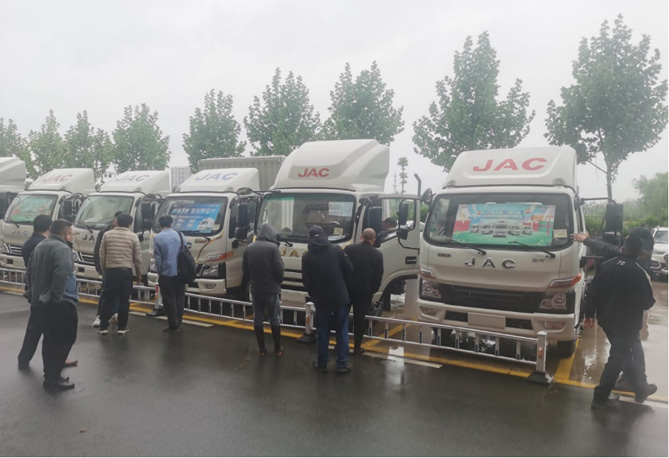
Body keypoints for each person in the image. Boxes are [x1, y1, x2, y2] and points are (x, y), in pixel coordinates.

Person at [572, 227, 654, 390]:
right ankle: (637, 383)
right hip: (626, 318)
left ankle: (633, 383)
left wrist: (587, 240)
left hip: (617, 317)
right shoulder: (636, 262)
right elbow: (648, 302)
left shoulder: (635, 265)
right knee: (624, 350)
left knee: (626, 350)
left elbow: (609, 249)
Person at [23, 219, 79, 391]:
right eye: (72, 233)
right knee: (64, 338)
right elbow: (61, 275)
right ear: (66, 234)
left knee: (50, 339)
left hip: (42, 301)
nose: (73, 236)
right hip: (61, 303)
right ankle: (53, 378)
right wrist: (56, 298)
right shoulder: (62, 249)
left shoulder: (41, 246)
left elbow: (29, 272)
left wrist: (33, 292)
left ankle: (51, 374)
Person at [302, 225, 354, 373]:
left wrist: (315, 293)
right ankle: (342, 364)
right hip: (340, 296)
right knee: (341, 330)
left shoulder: (307, 256)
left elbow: (306, 281)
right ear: (324, 235)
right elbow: (349, 269)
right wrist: (341, 284)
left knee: (322, 330)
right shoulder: (336, 250)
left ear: (309, 238)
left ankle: (322, 363)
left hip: (321, 298)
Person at [242, 223, 285, 355]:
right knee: (274, 318)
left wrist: (251, 281)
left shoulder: (249, 248)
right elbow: (279, 269)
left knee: (258, 318)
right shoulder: (273, 248)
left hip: (256, 288)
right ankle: (277, 348)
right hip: (271, 289)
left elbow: (245, 269)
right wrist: (278, 282)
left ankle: (262, 349)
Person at [98, 213, 142, 336]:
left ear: (117, 222)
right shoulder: (133, 237)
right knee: (124, 300)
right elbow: (137, 258)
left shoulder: (107, 235)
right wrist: (138, 273)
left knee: (107, 299)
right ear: (129, 224)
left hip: (111, 271)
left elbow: (102, 255)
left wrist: (104, 270)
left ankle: (103, 327)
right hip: (125, 272)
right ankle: (122, 327)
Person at [344, 228, 384, 355]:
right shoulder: (377, 254)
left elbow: (342, 267)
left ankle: (341, 345)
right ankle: (357, 348)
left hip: (347, 289)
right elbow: (378, 276)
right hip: (364, 292)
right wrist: (373, 290)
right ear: (374, 240)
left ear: (361, 237)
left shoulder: (349, 249)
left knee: (343, 317)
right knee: (360, 320)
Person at [153, 215, 186, 332]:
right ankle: (179, 322)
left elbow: (158, 258)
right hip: (180, 272)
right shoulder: (180, 235)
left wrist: (160, 272)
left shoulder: (158, 238)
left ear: (160, 225)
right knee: (179, 298)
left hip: (166, 273)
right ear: (171, 223)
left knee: (169, 299)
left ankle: (173, 324)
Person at [92, 211, 122, 327]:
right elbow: (98, 251)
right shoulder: (105, 232)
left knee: (118, 292)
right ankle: (99, 316)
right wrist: (98, 266)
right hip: (108, 267)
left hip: (120, 267)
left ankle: (115, 313)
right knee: (105, 292)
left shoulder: (127, 233)